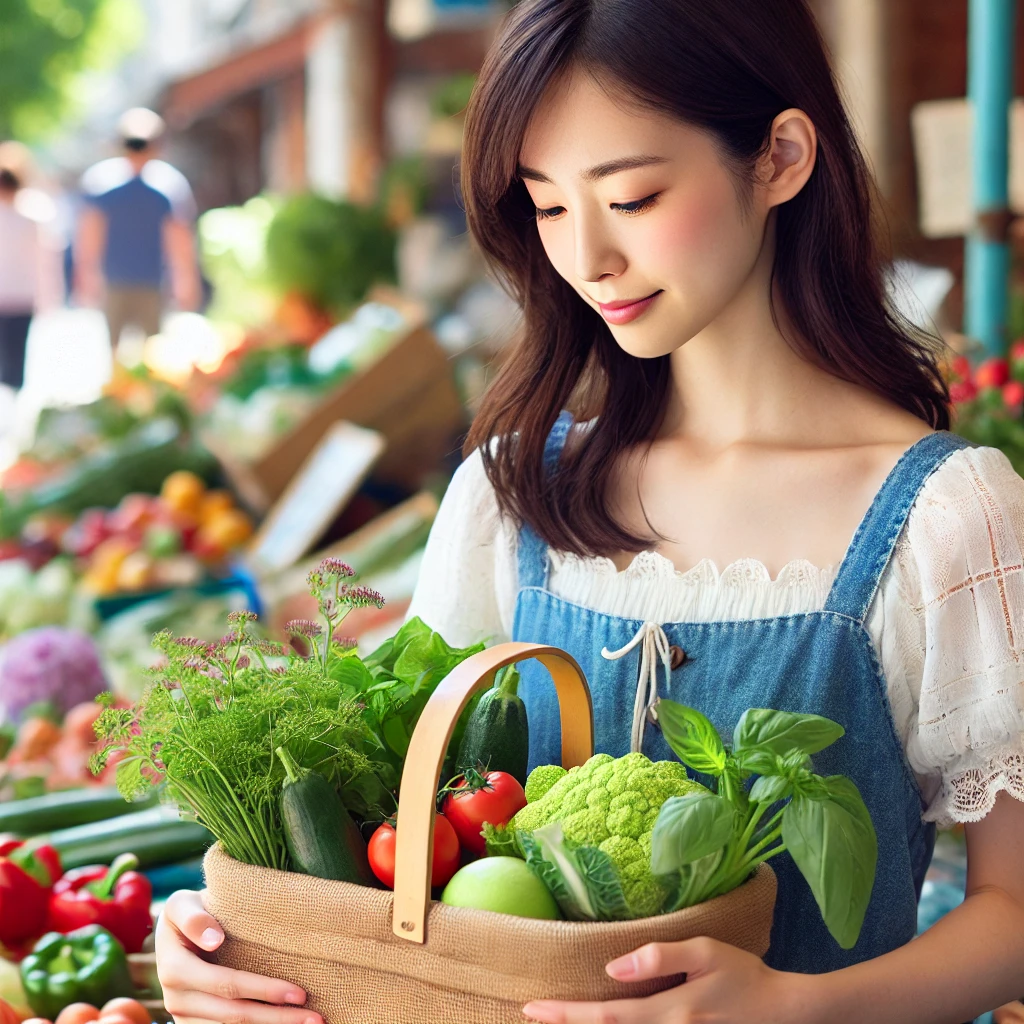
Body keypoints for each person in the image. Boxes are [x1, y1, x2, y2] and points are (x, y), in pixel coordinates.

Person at [155, 0, 1024, 1021]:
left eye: (634, 195)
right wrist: (239, 940)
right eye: (548, 207)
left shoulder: (946, 517)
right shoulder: (508, 492)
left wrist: (791, 1008)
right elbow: (395, 840)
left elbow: (1013, 911)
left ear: (781, 157)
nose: (588, 257)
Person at [74, 107, 201, 354]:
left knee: (153, 353)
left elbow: (178, 237)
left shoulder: (166, 185)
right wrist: (87, 274)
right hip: (118, 281)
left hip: (149, 281)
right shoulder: (106, 181)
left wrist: (185, 278)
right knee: (122, 350)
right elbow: (91, 232)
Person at [0, 141, 59, 391]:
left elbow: (44, 261)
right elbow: (46, 262)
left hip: (17, 295)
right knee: (15, 354)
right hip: (21, 296)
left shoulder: (33, 214)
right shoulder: (33, 215)